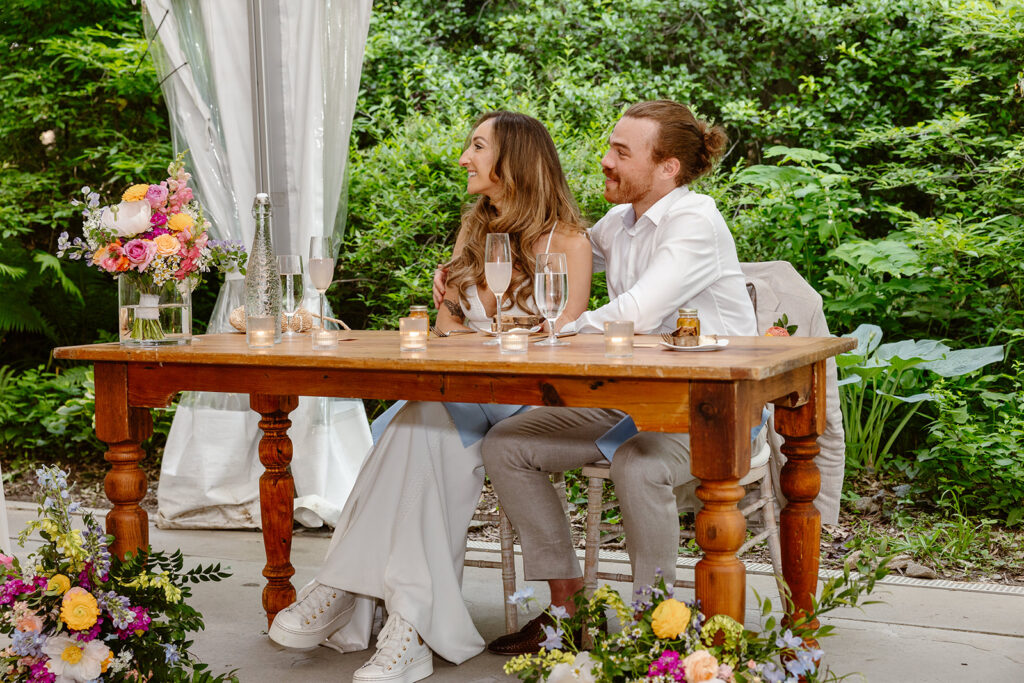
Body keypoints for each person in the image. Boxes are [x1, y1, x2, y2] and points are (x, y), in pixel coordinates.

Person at [268, 111, 591, 682]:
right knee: (422, 422)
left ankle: (344, 584)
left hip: (525, 405)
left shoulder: (566, 241)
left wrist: (471, 336)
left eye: (477, 147)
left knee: (414, 422)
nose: (465, 158)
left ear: (512, 159)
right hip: (459, 399)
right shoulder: (473, 232)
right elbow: (445, 337)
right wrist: (458, 327)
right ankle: (410, 628)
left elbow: (557, 342)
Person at [477, 100, 759, 655]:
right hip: (635, 405)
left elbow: (638, 310)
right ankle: (567, 609)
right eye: (609, 147)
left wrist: (556, 332)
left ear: (668, 168)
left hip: (710, 414)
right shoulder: (621, 224)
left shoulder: (694, 220)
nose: (605, 160)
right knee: (507, 443)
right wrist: (473, 266)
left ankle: (658, 627)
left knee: (639, 462)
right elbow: (561, 250)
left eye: (621, 153)